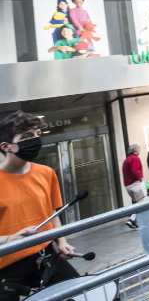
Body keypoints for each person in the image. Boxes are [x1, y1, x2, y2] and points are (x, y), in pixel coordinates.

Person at [0, 112, 78, 298]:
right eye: (27, 137)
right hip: (7, 267)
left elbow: (51, 213)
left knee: (80, 291)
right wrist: (10, 238)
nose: (35, 140)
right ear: (6, 147)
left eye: (37, 134)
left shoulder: (47, 173)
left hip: (46, 258)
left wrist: (61, 241)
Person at [122, 144, 145, 229]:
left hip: (128, 185)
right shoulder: (135, 159)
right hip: (134, 184)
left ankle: (134, 221)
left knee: (138, 203)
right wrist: (139, 177)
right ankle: (131, 220)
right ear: (135, 151)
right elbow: (135, 170)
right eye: (139, 150)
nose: (139, 151)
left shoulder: (126, 160)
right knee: (141, 203)